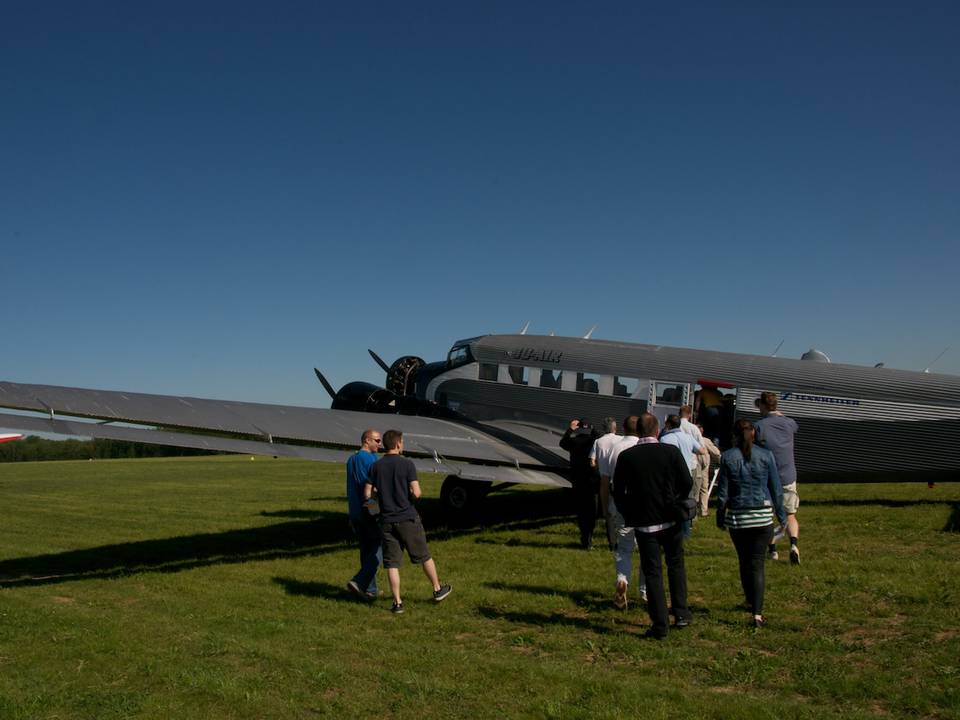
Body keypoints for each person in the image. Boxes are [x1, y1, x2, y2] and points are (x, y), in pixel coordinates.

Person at [613, 413, 693, 639]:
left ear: (638, 432)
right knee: (676, 564)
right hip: (670, 517)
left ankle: (660, 624)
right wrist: (676, 498)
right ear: (658, 431)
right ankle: (681, 613)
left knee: (653, 572)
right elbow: (687, 482)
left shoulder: (627, 456)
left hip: (644, 521)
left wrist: (629, 512)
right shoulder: (670, 452)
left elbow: (618, 491)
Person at [364, 430, 452, 614]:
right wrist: (408, 495)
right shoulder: (407, 464)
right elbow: (417, 492)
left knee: (392, 563)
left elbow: (367, 494)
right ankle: (437, 589)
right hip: (407, 518)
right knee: (423, 555)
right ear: (397, 444)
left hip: (386, 520)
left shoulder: (376, 466)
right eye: (402, 442)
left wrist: (379, 502)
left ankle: (397, 603)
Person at [716, 419, 785, 628]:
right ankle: (757, 613)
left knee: (744, 561)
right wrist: (781, 515)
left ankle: (748, 598)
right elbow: (776, 489)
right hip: (762, 517)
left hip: (738, 518)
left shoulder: (728, 457)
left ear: (735, 435)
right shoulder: (766, 455)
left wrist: (720, 515)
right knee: (758, 564)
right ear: (753, 433)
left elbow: (723, 493)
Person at [596, 416, 646, 609]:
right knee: (645, 549)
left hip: (620, 504)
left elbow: (605, 481)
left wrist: (605, 505)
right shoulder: (645, 448)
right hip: (643, 506)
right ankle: (644, 590)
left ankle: (622, 579)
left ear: (623, 429)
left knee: (624, 548)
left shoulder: (615, 448)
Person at [754, 391, 800, 564]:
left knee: (768, 517)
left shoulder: (759, 426)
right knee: (790, 515)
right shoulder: (789, 423)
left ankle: (772, 551)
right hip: (788, 475)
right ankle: (794, 544)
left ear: (764, 406)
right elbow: (794, 426)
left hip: (767, 478)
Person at [345, 429, 383, 600]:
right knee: (381, 545)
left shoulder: (351, 459)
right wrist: (378, 512)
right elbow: (372, 490)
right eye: (377, 440)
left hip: (355, 512)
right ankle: (359, 581)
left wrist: (351, 515)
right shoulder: (371, 459)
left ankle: (370, 589)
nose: (380, 444)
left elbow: (351, 488)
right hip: (369, 509)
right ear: (366, 440)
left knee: (366, 549)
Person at [660, 414, 707, 536]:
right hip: (687, 474)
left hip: (672, 476)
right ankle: (686, 531)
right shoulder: (688, 437)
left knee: (671, 502)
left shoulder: (665, 439)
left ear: (669, 425)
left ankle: (670, 528)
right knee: (686, 503)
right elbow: (702, 451)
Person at [560, 418, 601, 549]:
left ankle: (585, 538)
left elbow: (562, 442)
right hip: (592, 481)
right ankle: (589, 536)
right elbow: (599, 437)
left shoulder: (573, 442)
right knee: (592, 511)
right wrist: (593, 428)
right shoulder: (593, 442)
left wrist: (571, 429)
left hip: (578, 481)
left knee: (581, 511)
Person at [696, 429, 722, 517]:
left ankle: (693, 510)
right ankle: (703, 511)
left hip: (692, 466)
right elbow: (716, 453)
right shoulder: (705, 440)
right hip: (702, 467)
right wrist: (721, 462)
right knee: (703, 488)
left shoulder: (688, 438)